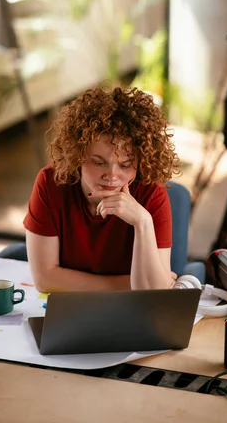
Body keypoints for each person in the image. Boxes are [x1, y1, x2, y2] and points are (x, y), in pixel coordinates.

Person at [24, 86, 180, 293]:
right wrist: (130, 284)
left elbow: (154, 296)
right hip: (70, 310)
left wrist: (142, 222)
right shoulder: (51, 183)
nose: (112, 175)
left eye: (125, 165)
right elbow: (44, 280)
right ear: (77, 156)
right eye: (99, 163)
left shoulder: (152, 195)